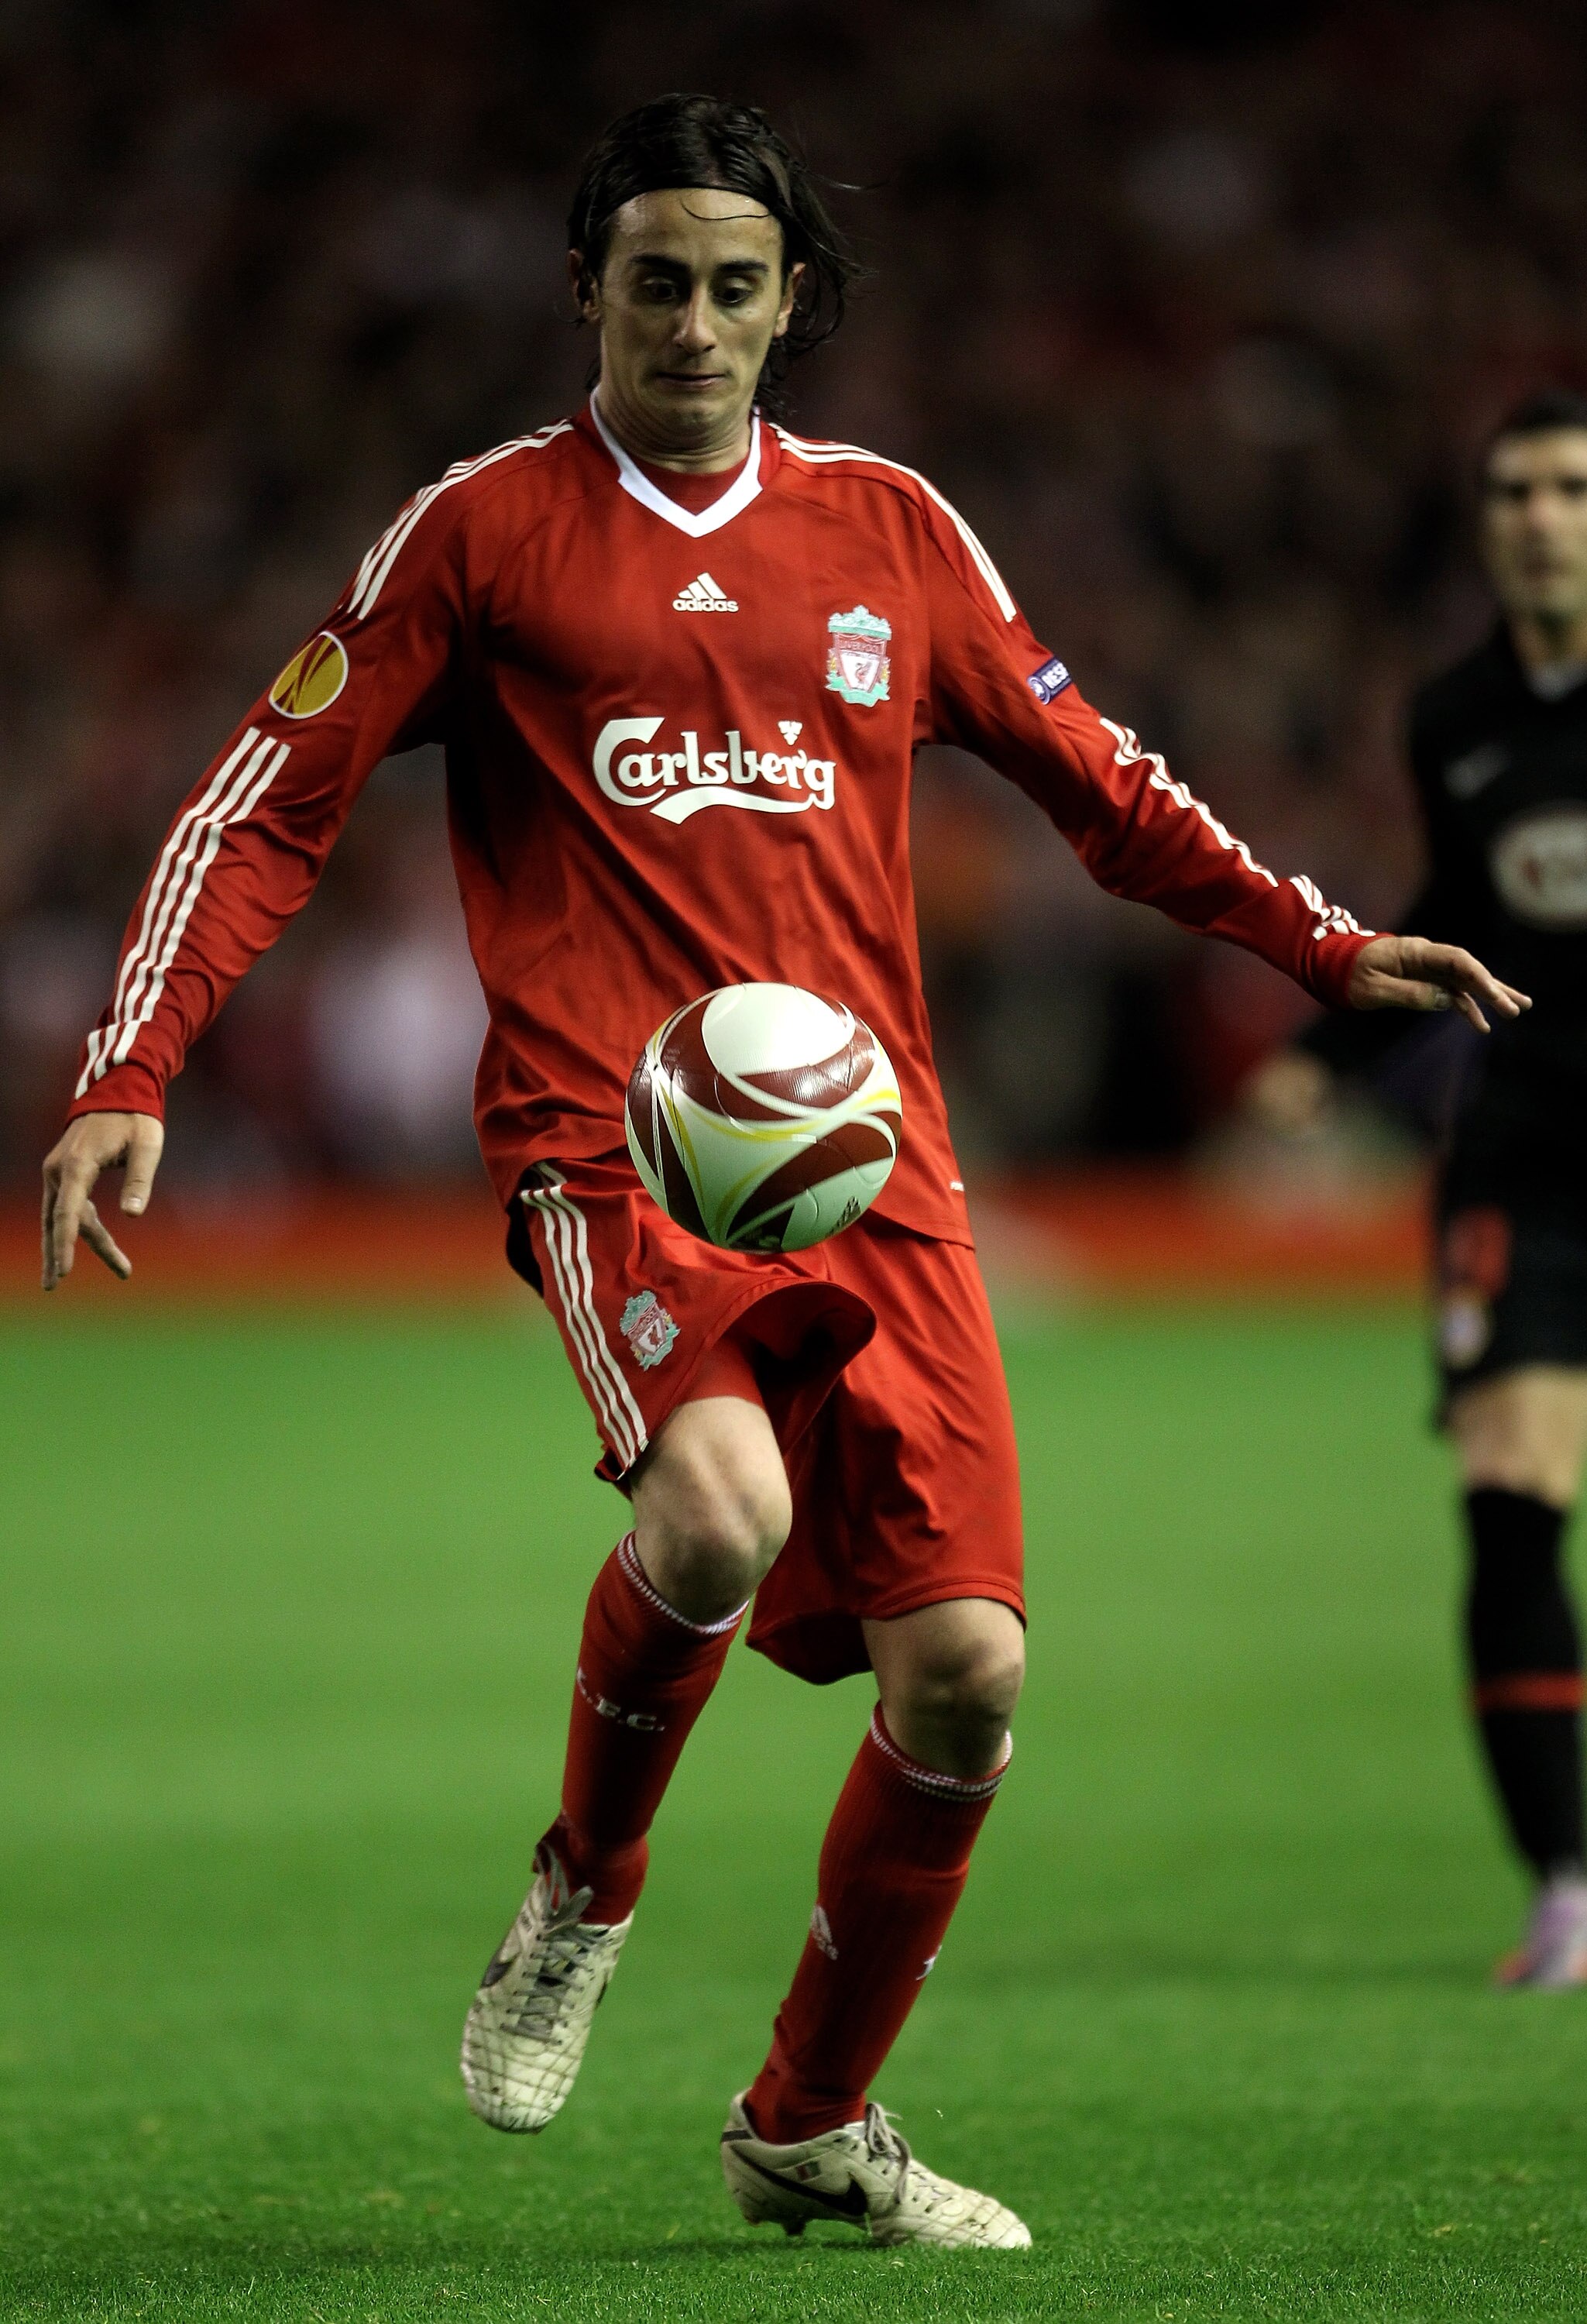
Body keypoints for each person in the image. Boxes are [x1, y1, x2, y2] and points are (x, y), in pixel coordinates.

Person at [40, 95, 1523, 2246]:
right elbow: (263, 799)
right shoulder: (481, 534)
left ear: (790, 303)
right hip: (607, 1146)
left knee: (972, 1679)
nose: (698, 323)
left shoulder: (892, 536)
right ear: (588, 293)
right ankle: (585, 1888)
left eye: (738, 285)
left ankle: (806, 2124)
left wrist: (1313, 937)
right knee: (717, 1518)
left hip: (873, 1171)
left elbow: (1098, 780)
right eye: (657, 281)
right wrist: (136, 1058)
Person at [1252, 389, 1587, 1988]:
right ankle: (1565, 1894)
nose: (1539, 516)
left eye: (1570, 491)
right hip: (1519, 1159)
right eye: (1514, 491)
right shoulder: (1450, 713)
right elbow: (1456, 904)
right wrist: (1330, 1047)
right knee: (1507, 1496)